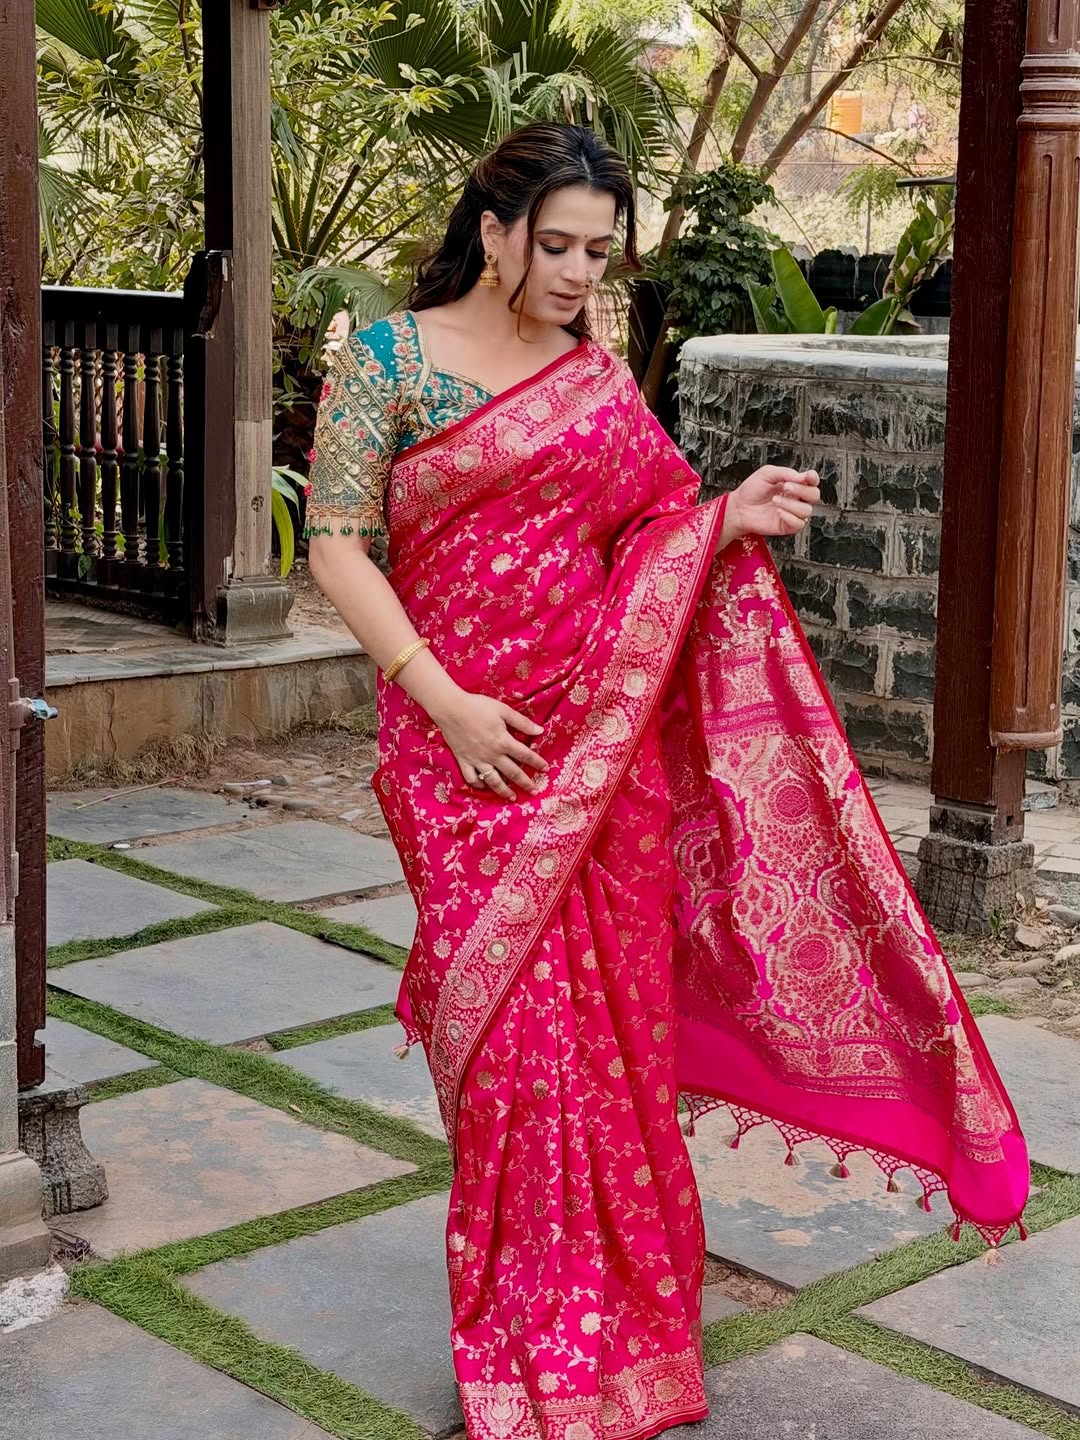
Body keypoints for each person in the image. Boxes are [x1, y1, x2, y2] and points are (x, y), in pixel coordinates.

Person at [306, 122, 1029, 1440]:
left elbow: (649, 524)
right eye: (561, 245)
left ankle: (621, 1333)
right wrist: (448, 700)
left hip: (600, 753)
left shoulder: (588, 376)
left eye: (600, 250)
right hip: (457, 752)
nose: (582, 273)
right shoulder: (388, 362)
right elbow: (338, 544)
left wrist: (724, 518)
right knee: (512, 1055)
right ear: (497, 230)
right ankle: (523, 1338)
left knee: (608, 1049)